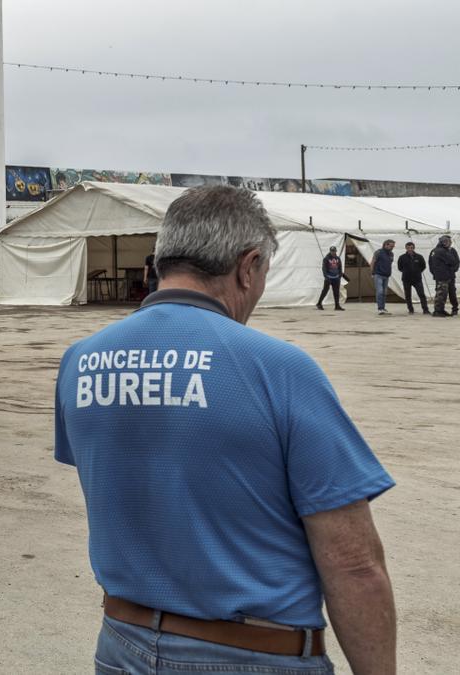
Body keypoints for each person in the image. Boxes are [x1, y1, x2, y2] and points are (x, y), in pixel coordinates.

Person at [54, 186, 396, 674]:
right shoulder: (280, 370)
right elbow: (354, 563)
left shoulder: (81, 362)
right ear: (247, 265)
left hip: (121, 646)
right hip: (250, 654)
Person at [428, 234, 459, 317]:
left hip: (445, 275)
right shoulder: (443, 251)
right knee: (442, 294)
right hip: (444, 276)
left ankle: (441, 310)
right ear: (444, 242)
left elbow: (456, 263)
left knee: (442, 293)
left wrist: (435, 274)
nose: (450, 243)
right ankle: (438, 311)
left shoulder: (435, 250)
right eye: (449, 241)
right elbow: (453, 261)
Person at [397, 241, 429, 314]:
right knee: (408, 295)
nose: (410, 249)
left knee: (421, 294)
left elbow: (423, 266)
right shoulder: (402, 257)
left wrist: (417, 272)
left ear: (414, 248)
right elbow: (400, 267)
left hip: (417, 279)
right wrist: (406, 272)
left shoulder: (419, 257)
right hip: (406, 279)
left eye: (411, 248)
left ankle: (425, 309)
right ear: (406, 248)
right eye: (408, 248)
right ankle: (410, 310)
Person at [315, 245, 345, 311]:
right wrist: (326, 276)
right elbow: (324, 268)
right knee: (325, 291)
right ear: (330, 251)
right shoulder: (326, 259)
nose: (333, 252)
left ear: (336, 251)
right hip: (329, 277)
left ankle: (337, 305)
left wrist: (340, 275)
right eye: (332, 251)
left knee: (336, 292)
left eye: (334, 251)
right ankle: (319, 303)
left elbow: (340, 267)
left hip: (336, 277)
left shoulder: (338, 258)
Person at [370, 239, 395, 315]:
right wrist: (372, 272)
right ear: (385, 245)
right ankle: (380, 308)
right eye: (391, 246)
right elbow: (372, 262)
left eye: (393, 246)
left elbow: (389, 263)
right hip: (378, 274)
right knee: (380, 291)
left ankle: (383, 308)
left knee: (384, 292)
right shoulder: (378, 252)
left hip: (386, 275)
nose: (392, 248)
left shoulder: (391, 254)